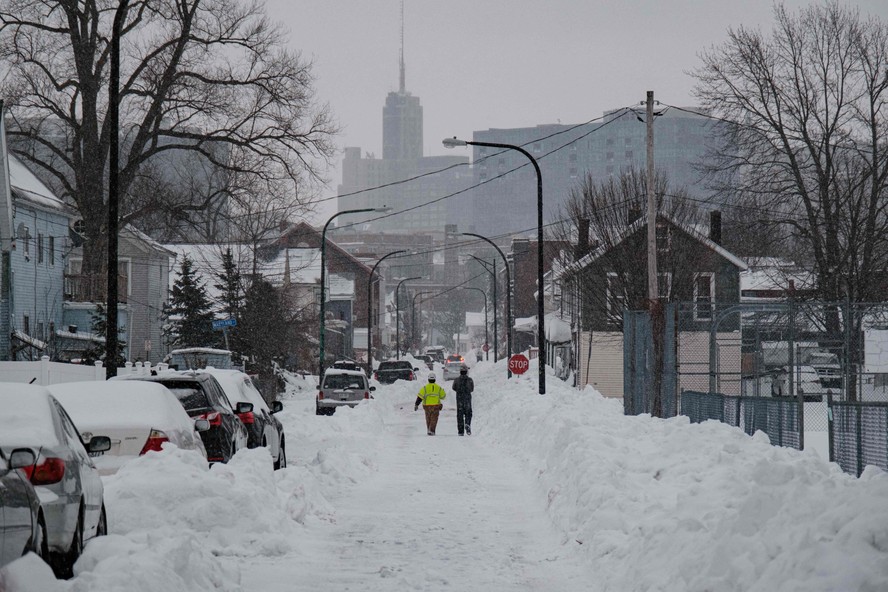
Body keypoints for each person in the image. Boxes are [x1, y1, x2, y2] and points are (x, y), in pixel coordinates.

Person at [452, 365, 474, 436]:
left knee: (460, 415)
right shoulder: (470, 380)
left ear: (460, 372)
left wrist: (459, 391)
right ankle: (467, 423)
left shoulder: (456, 380)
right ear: (466, 372)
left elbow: (454, 387)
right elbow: (472, 389)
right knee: (468, 413)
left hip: (459, 399)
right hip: (467, 399)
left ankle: (460, 431)